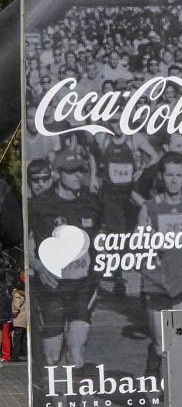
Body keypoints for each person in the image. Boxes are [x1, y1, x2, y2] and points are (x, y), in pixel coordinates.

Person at [28, 145, 101, 369]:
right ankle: (52, 400)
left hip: (83, 284)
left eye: (81, 170)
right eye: (72, 171)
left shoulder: (92, 202)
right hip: (51, 286)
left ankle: (73, 401)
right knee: (52, 356)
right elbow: (22, 246)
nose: (79, 175)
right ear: (58, 174)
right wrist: (38, 267)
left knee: (76, 352)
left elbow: (101, 239)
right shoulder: (39, 206)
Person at [137, 151, 182, 374]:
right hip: (156, 282)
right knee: (160, 344)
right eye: (169, 174)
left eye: (178, 175)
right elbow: (139, 243)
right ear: (162, 177)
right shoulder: (150, 207)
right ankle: (153, 380)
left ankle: (177, 389)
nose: (173, 180)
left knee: (181, 343)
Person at [10, 277, 25, 362]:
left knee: (17, 339)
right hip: (24, 319)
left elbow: (16, 306)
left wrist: (14, 314)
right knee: (22, 338)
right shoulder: (24, 294)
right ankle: (23, 355)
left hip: (18, 319)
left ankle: (15, 357)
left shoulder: (17, 295)